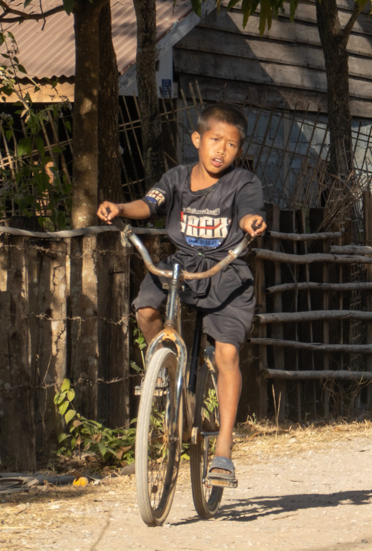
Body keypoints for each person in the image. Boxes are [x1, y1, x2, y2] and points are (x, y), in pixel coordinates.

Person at [97, 102, 266, 488]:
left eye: (231, 145)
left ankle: (223, 448)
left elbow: (247, 212)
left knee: (226, 353)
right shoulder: (175, 178)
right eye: (214, 140)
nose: (221, 150)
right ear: (197, 140)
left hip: (226, 269)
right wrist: (121, 206)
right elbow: (149, 204)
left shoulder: (244, 184)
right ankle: (167, 368)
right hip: (182, 265)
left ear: (239, 152)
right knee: (143, 310)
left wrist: (250, 223)